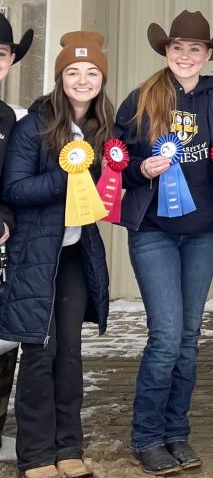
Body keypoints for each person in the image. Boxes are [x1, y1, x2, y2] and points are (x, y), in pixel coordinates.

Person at [114, 11, 213, 475]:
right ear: (166, 53)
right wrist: (139, 170)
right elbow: (117, 158)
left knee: (189, 339)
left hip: (201, 233)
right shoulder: (140, 99)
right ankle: (146, 436)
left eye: (195, 49)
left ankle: (177, 433)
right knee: (166, 337)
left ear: (208, 56)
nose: (185, 56)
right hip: (154, 233)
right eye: (177, 48)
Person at [0, 31, 113, 478]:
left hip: (73, 252)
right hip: (35, 252)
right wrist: (66, 179)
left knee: (69, 352)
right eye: (72, 72)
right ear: (59, 77)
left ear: (101, 79)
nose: (82, 80)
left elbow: (111, 185)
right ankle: (35, 455)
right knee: (39, 350)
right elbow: (14, 188)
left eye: (91, 73)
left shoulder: (104, 129)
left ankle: (69, 447)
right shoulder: (34, 125)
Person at [0, 13, 32, 453]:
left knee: (4, 340)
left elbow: (10, 182)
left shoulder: (9, 118)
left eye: (1, 54)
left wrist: (5, 218)